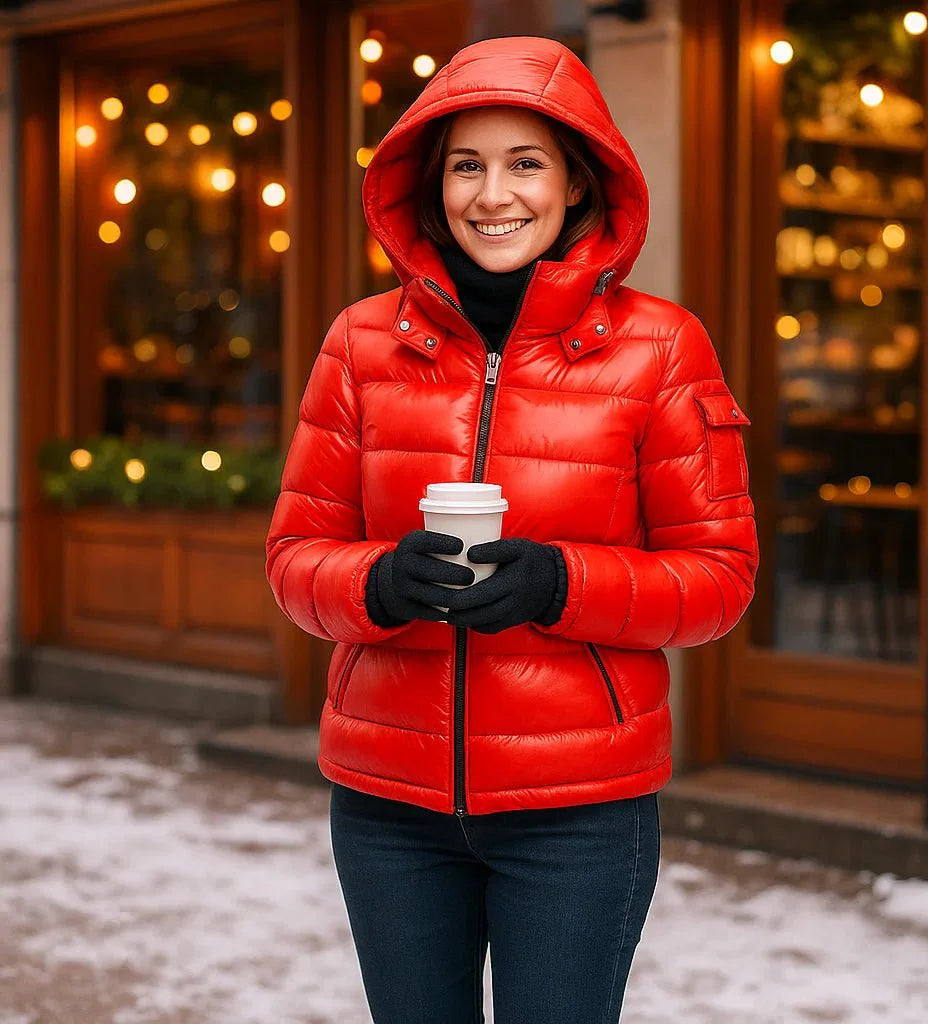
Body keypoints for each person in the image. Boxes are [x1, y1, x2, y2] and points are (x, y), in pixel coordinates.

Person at [266, 35, 757, 1024]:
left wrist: (559, 584)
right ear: (429, 184)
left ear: (578, 183)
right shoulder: (360, 342)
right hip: (387, 804)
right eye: (466, 165)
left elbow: (719, 580)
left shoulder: (664, 346)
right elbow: (291, 562)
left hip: (578, 810)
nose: (494, 194)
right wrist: (376, 584)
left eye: (525, 162)